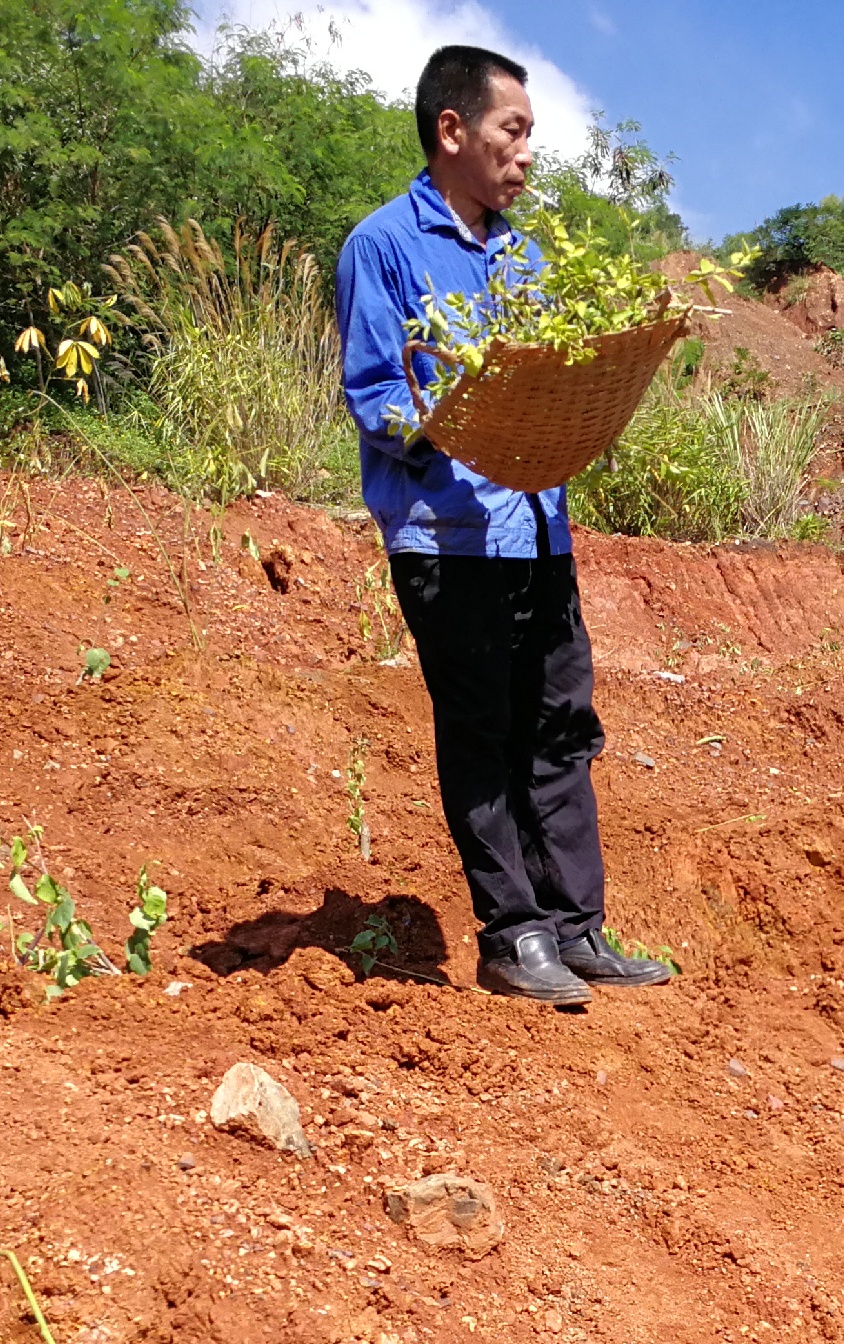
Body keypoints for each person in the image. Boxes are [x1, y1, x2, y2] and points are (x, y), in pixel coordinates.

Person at [336, 44, 672, 1006]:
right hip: (447, 539)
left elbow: (550, 385)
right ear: (453, 131)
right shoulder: (385, 247)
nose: (527, 156)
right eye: (512, 132)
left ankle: (577, 928)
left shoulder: (524, 255)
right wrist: (460, 423)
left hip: (539, 531)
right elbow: (373, 399)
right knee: (481, 731)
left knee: (561, 729)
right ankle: (512, 934)